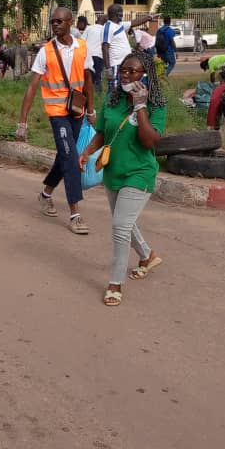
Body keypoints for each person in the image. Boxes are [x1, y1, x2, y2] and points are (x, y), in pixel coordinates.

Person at [77, 51, 165, 306]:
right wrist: (87, 152)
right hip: (113, 171)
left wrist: (140, 107)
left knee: (119, 227)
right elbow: (103, 132)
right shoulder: (113, 100)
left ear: (145, 76)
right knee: (123, 222)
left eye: (132, 71)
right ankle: (147, 256)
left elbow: (149, 141)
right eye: (123, 70)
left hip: (140, 173)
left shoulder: (157, 106)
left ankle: (115, 283)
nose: (125, 75)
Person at [16, 8, 95, 235]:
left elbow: (88, 79)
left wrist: (91, 110)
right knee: (70, 157)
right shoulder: (46, 51)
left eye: (60, 21)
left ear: (70, 22)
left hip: (77, 111)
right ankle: (75, 214)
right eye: (53, 22)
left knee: (64, 155)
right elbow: (32, 87)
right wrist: (23, 122)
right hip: (57, 112)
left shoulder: (82, 47)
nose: (56, 25)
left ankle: (45, 195)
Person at [100, 4, 133, 90]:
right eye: (121, 12)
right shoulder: (108, 27)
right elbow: (105, 47)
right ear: (118, 14)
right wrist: (108, 69)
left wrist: (149, 17)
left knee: (124, 91)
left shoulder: (119, 25)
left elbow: (134, 22)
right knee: (113, 92)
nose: (122, 15)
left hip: (124, 64)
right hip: (115, 66)